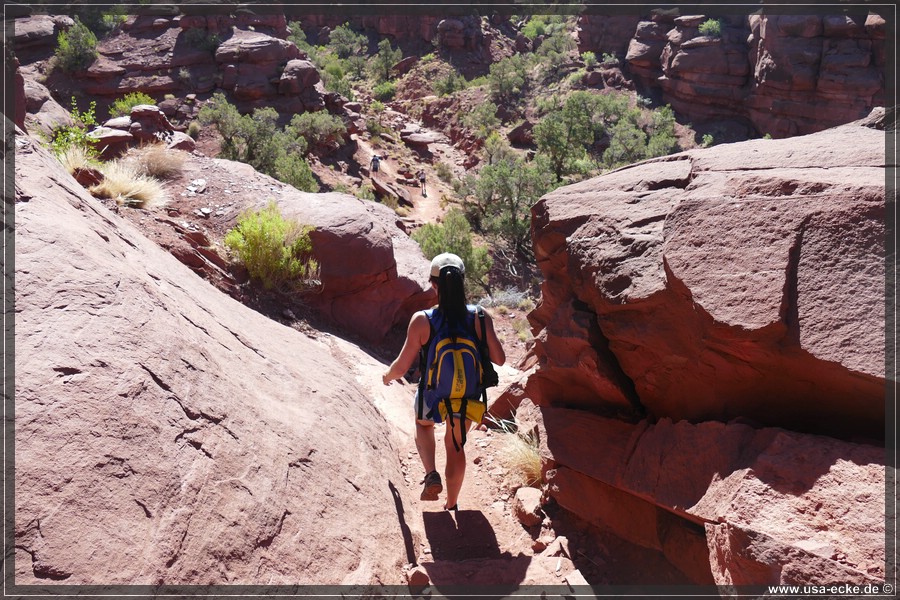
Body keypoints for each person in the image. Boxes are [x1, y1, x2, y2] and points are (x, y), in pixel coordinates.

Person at [382, 253, 505, 510]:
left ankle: (431, 473)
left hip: (433, 395)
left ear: (433, 284)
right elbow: (500, 359)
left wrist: (387, 377)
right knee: (456, 445)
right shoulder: (480, 317)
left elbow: (402, 366)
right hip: (467, 396)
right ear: (462, 282)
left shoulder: (422, 320)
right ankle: (451, 503)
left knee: (423, 424)